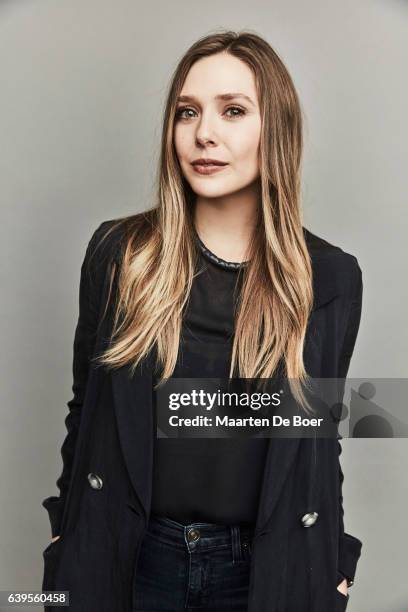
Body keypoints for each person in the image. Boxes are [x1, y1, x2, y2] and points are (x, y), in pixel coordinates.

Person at [41, 30, 363, 612]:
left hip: (265, 569)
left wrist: (336, 561)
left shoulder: (330, 278)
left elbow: (319, 432)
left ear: (277, 130)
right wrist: (65, 533)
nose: (203, 134)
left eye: (233, 111)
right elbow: (84, 406)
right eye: (186, 112)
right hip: (131, 556)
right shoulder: (120, 255)